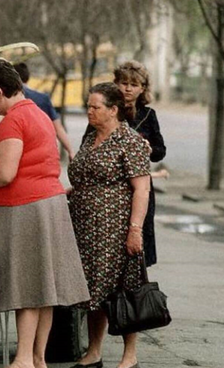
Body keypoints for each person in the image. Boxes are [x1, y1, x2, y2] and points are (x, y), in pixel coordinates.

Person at [0, 60, 90, 368]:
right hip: (49, 203)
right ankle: (38, 359)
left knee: (25, 286)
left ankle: (22, 361)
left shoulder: (13, 121)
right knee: (43, 287)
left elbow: (6, 172)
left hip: (24, 208)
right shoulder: (38, 113)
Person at [67, 82, 151, 368]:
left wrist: (135, 230)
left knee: (122, 290)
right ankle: (93, 351)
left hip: (115, 229)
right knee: (92, 291)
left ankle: (130, 357)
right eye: (88, 106)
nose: (89, 111)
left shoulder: (130, 141)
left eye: (95, 107)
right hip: (85, 227)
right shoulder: (90, 137)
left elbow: (142, 189)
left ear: (113, 110)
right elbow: (82, 178)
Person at [81, 61, 166, 267]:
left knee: (136, 249)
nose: (128, 89)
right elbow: (86, 145)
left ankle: (134, 293)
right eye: (124, 83)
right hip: (106, 190)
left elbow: (160, 152)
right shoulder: (103, 111)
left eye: (134, 84)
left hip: (138, 185)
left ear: (142, 88)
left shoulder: (148, 115)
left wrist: (148, 148)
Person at [13, 62, 75, 160]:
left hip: (17, 151)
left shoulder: (7, 97)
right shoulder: (43, 98)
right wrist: (70, 151)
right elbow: (58, 128)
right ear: (27, 77)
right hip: (41, 152)